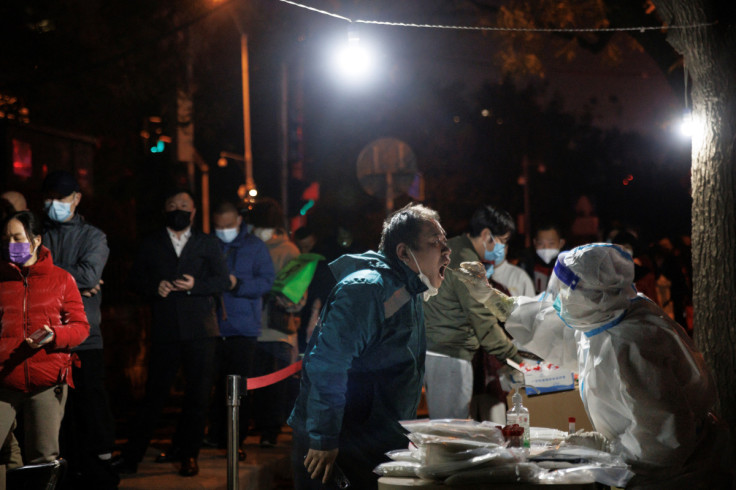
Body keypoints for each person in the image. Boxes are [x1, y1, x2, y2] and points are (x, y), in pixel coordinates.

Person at [499, 244, 733, 487]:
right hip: (668, 464)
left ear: (594, 295)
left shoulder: (633, 345)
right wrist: (506, 307)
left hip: (677, 476)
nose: (559, 298)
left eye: (567, 290)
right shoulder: (609, 311)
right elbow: (565, 338)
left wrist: (609, 449)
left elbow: (661, 442)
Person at [288, 203, 451, 490]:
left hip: (370, 439)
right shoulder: (368, 289)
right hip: (340, 443)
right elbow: (328, 365)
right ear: (403, 252)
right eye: (435, 244)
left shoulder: (409, 289)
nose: (446, 252)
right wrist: (323, 438)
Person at [113, 190, 230, 477]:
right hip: (165, 329)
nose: (178, 210)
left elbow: (223, 280)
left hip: (201, 330)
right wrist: (156, 286)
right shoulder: (152, 242)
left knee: (198, 396)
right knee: (155, 395)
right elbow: (134, 279)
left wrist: (194, 284)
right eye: (172, 205)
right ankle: (132, 455)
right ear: (165, 210)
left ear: (193, 212)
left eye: (184, 206)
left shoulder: (207, 242)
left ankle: (188, 454)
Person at [40, 170, 118, 489]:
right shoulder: (37, 232)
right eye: (50, 198)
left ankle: (100, 473)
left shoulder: (93, 236)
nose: (56, 204)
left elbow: (89, 276)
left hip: (84, 336)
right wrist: (70, 281)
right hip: (45, 337)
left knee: (90, 409)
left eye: (62, 198)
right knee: (55, 416)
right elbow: (81, 278)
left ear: (77, 198)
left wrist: (48, 277)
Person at [0, 211, 90, 467]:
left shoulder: (62, 279)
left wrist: (55, 335)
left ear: (37, 240)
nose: (11, 245)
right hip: (4, 378)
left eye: (18, 238)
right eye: (6, 239)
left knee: (43, 456)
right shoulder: (2, 279)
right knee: (5, 455)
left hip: (47, 381)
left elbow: (81, 327)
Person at [422, 205, 524, 420]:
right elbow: (483, 322)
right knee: (451, 434)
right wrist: (518, 360)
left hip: (436, 353)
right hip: (450, 357)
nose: (502, 249)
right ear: (487, 235)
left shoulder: (451, 248)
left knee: (446, 428)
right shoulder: (465, 261)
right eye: (502, 241)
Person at [206, 202, 275, 457]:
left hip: (243, 328)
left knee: (239, 388)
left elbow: (267, 281)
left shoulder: (254, 246)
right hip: (212, 328)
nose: (223, 230)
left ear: (238, 220)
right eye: (218, 226)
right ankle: (214, 435)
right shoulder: (208, 244)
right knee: (212, 386)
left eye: (228, 225)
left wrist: (238, 284)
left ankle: (236, 440)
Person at [249, 198, 301, 448]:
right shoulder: (290, 250)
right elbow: (297, 296)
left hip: (256, 325)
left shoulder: (245, 246)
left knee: (254, 383)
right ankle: (269, 431)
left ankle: (263, 428)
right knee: (275, 385)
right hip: (277, 328)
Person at [520, 223, 566, 294]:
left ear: (561, 243)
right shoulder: (525, 263)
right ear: (535, 243)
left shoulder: (568, 266)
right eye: (540, 243)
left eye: (551, 243)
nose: (546, 248)